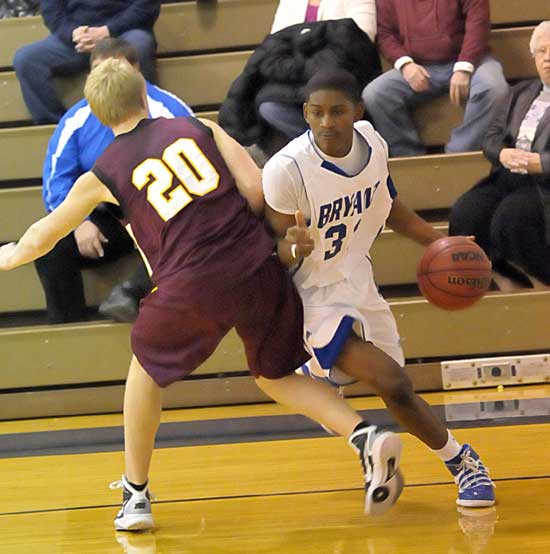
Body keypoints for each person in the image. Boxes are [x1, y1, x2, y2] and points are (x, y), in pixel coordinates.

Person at [0, 58, 406, 529]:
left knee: (144, 375)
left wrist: (8, 256)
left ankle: (135, 495)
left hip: (190, 284)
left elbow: (43, 237)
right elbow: (256, 189)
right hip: (257, 264)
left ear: (97, 114)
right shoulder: (199, 127)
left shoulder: (101, 173)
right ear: (144, 95)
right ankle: (365, 437)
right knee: (275, 374)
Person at [262, 68, 496, 508]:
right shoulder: (286, 170)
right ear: (305, 113)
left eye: (337, 111)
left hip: (359, 283)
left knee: (399, 390)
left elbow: (391, 210)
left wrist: (441, 242)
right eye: (315, 112)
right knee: (388, 376)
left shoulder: (374, 144)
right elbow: (270, 254)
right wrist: (291, 247)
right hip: (309, 298)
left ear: (358, 111)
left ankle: (454, 461)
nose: (326, 122)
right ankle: (463, 461)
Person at [35, 38, 194, 324]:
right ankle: (67, 335)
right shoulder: (77, 119)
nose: (109, 79)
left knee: (190, 231)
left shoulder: (170, 111)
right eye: (99, 71)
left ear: (137, 72)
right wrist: (78, 222)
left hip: (163, 213)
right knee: (52, 247)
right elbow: (56, 181)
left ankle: (133, 294)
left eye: (118, 70)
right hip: (107, 218)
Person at [449, 21, 550, 290]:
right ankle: (502, 278)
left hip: (544, 182)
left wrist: (541, 162)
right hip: (509, 176)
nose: (548, 58)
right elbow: (491, 137)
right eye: (541, 51)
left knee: (511, 217)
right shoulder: (520, 92)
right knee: (466, 211)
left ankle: (540, 282)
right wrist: (502, 153)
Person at [362, 0, 509, 157]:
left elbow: (478, 24)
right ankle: (409, 158)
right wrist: (405, 64)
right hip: (418, 66)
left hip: (470, 60)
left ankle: (459, 153)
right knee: (374, 94)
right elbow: (385, 34)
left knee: (494, 87)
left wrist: (464, 67)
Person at [13, 0, 161, 124]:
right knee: (26, 59)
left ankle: (143, 121)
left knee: (138, 47)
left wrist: (107, 31)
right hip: (77, 39)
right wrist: (73, 34)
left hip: (124, 33)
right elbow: (51, 10)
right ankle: (58, 129)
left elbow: (147, 6)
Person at [259, 0, 377, 146]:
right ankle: (319, 149)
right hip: (298, 80)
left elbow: (361, 38)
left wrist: (306, 61)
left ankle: (332, 148)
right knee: (269, 106)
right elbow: (275, 45)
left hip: (343, 74)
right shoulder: (289, 2)